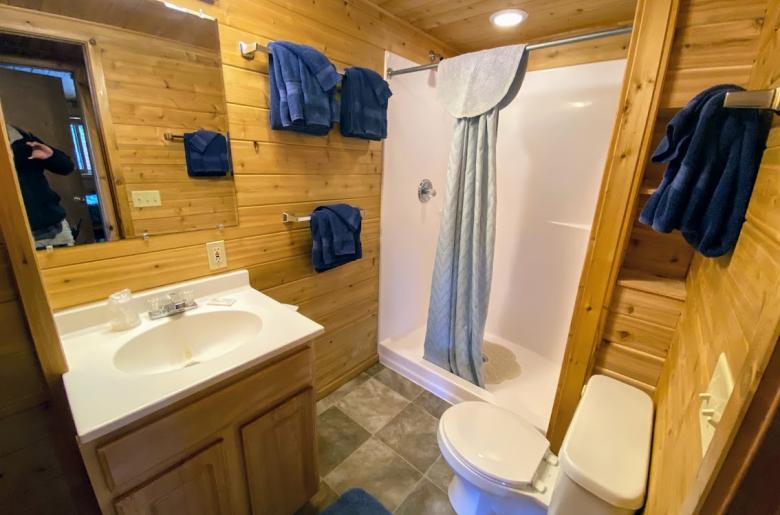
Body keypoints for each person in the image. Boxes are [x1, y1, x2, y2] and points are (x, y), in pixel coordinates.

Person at [6, 123, 76, 248]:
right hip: (15, 239)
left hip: (55, 231)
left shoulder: (21, 138)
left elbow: (67, 167)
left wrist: (51, 156)